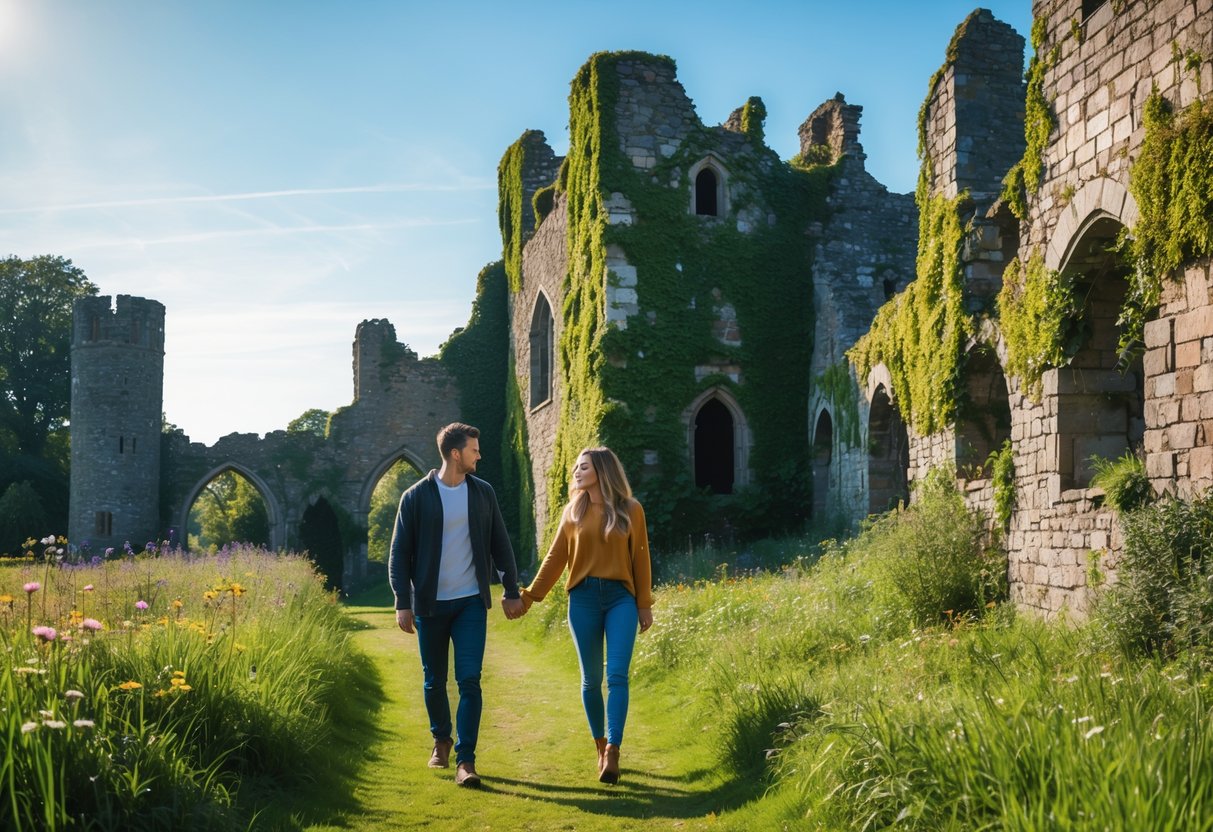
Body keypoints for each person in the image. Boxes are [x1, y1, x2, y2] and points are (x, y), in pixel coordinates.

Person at [389, 422, 524, 788]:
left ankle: (466, 760)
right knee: (434, 681)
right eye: (474, 449)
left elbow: (501, 543)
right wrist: (403, 602)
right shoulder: (415, 497)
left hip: (469, 604)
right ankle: (441, 739)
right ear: (455, 453)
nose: (479, 455)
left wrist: (511, 589)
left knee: (469, 679)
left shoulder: (483, 493)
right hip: (430, 606)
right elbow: (399, 554)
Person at [520, 446, 654, 784]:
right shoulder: (573, 511)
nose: (577, 472)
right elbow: (555, 558)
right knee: (590, 680)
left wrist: (644, 604)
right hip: (582, 600)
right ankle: (599, 745)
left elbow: (641, 558)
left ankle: (613, 750)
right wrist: (530, 597)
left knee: (618, 676)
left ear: (603, 470)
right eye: (577, 467)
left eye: (584, 467)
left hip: (620, 599)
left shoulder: (630, 509)